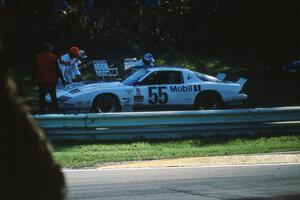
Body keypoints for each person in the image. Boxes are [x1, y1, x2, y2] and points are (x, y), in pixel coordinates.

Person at [36, 43, 63, 112]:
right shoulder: (54, 57)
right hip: (51, 80)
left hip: (41, 79)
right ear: (50, 49)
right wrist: (62, 79)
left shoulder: (38, 57)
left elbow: (35, 69)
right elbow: (58, 69)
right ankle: (56, 110)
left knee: (41, 96)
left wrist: (32, 80)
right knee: (53, 96)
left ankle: (42, 110)